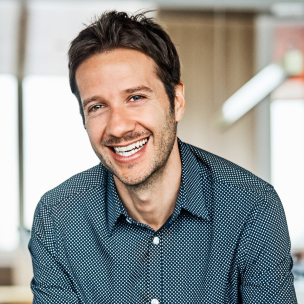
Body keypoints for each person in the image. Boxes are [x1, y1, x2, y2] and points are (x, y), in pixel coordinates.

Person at [28, 11, 297, 303]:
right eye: (97, 106)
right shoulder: (57, 217)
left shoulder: (252, 207)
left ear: (177, 101)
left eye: (136, 97)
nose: (118, 126)